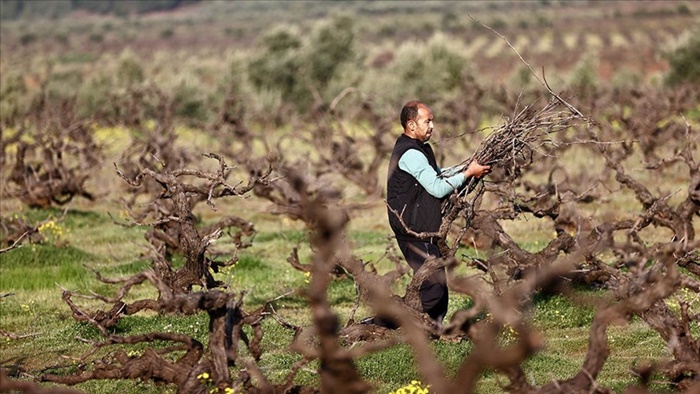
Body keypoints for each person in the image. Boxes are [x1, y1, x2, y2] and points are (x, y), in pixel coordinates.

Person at [374, 100, 490, 326]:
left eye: (432, 121)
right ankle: (393, 326)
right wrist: (467, 174)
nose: (432, 126)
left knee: (436, 286)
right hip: (412, 229)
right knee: (433, 287)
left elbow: (437, 174)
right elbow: (437, 188)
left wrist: (467, 169)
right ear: (411, 125)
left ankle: (425, 327)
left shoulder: (421, 148)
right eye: (427, 121)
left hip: (421, 227)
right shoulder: (411, 153)